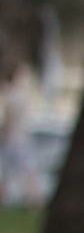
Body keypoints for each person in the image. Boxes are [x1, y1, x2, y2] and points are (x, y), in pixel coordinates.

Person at [0, 65, 43, 209]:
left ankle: (34, 199)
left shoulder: (11, 96)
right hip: (22, 139)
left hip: (13, 140)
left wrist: (6, 138)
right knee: (23, 171)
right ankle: (34, 199)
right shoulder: (22, 95)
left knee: (12, 171)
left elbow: (9, 121)